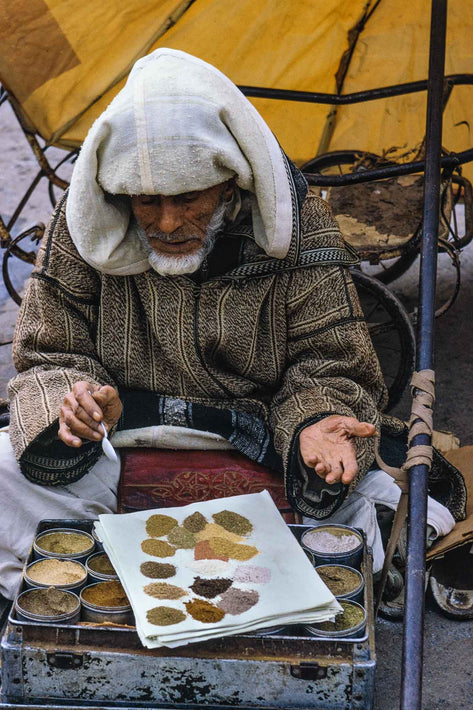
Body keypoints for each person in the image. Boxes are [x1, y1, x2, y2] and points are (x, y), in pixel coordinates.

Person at [0, 49, 463, 601]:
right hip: (122, 437)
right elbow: (49, 351)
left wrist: (318, 423)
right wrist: (73, 402)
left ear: (230, 183)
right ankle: (108, 577)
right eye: (147, 201)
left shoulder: (294, 224)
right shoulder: (86, 223)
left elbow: (331, 361)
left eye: (188, 197)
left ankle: (123, 566)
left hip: (261, 438)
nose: (167, 223)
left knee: (378, 507)